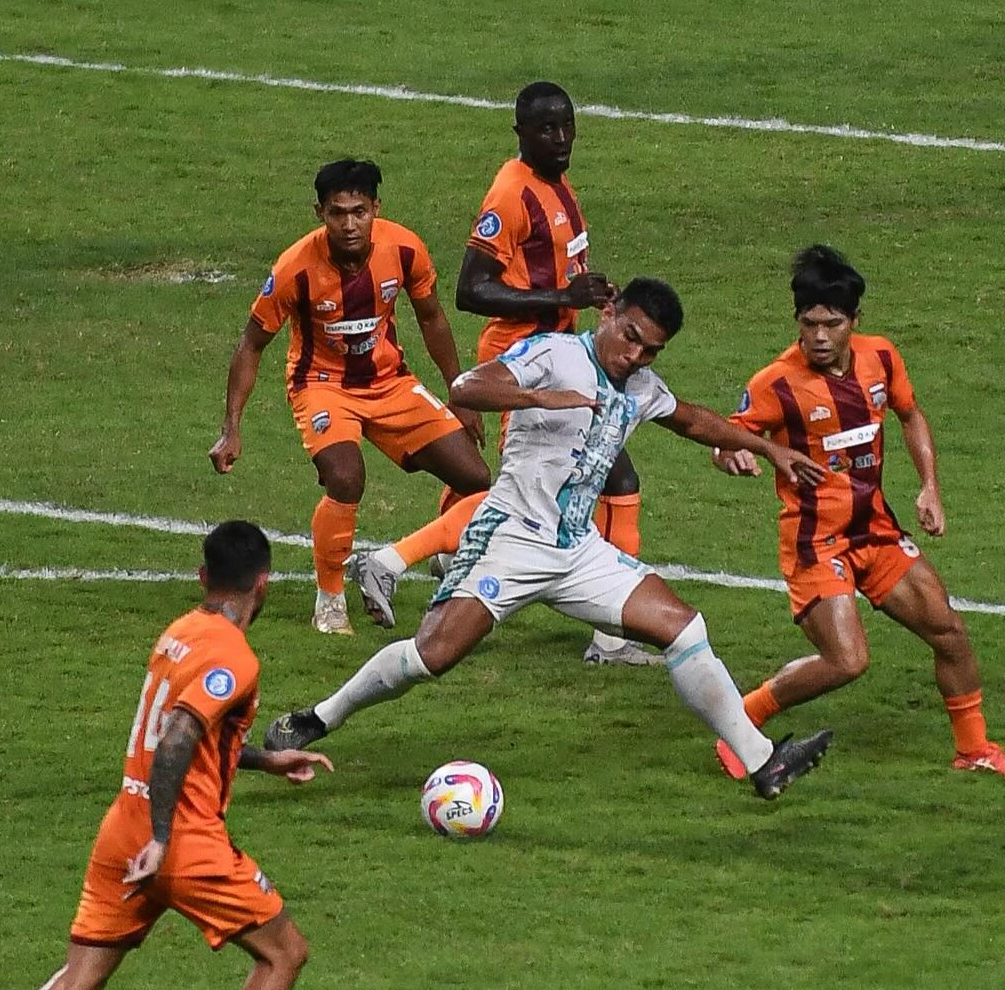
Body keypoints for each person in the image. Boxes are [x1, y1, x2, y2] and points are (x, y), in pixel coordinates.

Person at [265, 278, 835, 800]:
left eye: (650, 351)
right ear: (608, 314)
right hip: (510, 539)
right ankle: (319, 717)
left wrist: (768, 449)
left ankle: (763, 762)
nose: (634, 356)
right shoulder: (555, 355)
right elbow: (467, 387)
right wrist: (539, 397)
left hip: (578, 551)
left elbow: (690, 419)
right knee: (430, 657)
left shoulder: (641, 386)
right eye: (630, 337)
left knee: (684, 628)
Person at [345, 82, 651, 665]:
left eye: (566, 126)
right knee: (560, 488)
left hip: (559, 354)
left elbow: (549, 269)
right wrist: (562, 296)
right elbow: (471, 290)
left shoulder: (557, 184)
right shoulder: (512, 194)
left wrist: (585, 294)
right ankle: (392, 560)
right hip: (526, 363)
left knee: (593, 481)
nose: (560, 138)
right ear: (520, 133)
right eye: (546, 128)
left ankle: (410, 559)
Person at [710, 245, 1005, 778]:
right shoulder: (776, 383)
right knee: (847, 661)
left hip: (875, 531)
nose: (819, 336)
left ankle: (975, 750)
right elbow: (727, 437)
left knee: (950, 632)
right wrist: (735, 456)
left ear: (855, 321)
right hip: (816, 542)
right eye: (809, 324)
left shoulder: (881, 357)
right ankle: (741, 722)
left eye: (832, 324)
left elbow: (910, 415)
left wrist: (930, 487)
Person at [38, 521, 335, 990]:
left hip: (123, 828)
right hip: (183, 840)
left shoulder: (179, 632)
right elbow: (176, 739)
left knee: (81, 976)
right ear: (263, 583)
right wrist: (161, 839)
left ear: (203, 577)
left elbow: (194, 739)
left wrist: (266, 760)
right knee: (284, 954)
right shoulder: (233, 657)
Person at [208, 159, 490, 634]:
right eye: (338, 213)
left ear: (376, 207)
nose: (349, 224)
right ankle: (331, 597)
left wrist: (458, 391)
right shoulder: (295, 268)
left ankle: (445, 552)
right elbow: (251, 344)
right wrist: (231, 428)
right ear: (320, 213)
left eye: (359, 211)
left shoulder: (405, 249)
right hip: (322, 387)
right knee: (345, 477)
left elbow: (432, 318)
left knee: (476, 478)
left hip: (390, 382)